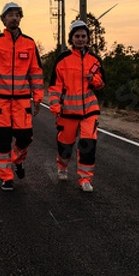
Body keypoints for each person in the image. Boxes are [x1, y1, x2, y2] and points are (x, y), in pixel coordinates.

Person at [0, 2, 44, 191]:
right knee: (3, 141)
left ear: (20, 18)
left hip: (23, 101)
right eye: (10, 15)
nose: (14, 18)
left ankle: (17, 160)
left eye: (17, 15)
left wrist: (38, 97)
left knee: (26, 138)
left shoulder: (30, 44)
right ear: (3, 19)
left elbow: (36, 73)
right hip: (1, 101)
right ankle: (6, 177)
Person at [48, 20, 106, 192]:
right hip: (67, 112)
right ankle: (62, 166)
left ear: (88, 38)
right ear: (71, 38)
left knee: (88, 144)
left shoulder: (94, 60)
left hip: (89, 110)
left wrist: (93, 80)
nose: (80, 39)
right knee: (65, 146)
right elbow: (55, 86)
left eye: (83, 36)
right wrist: (55, 107)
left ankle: (85, 178)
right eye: (77, 36)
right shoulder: (63, 59)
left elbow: (102, 84)